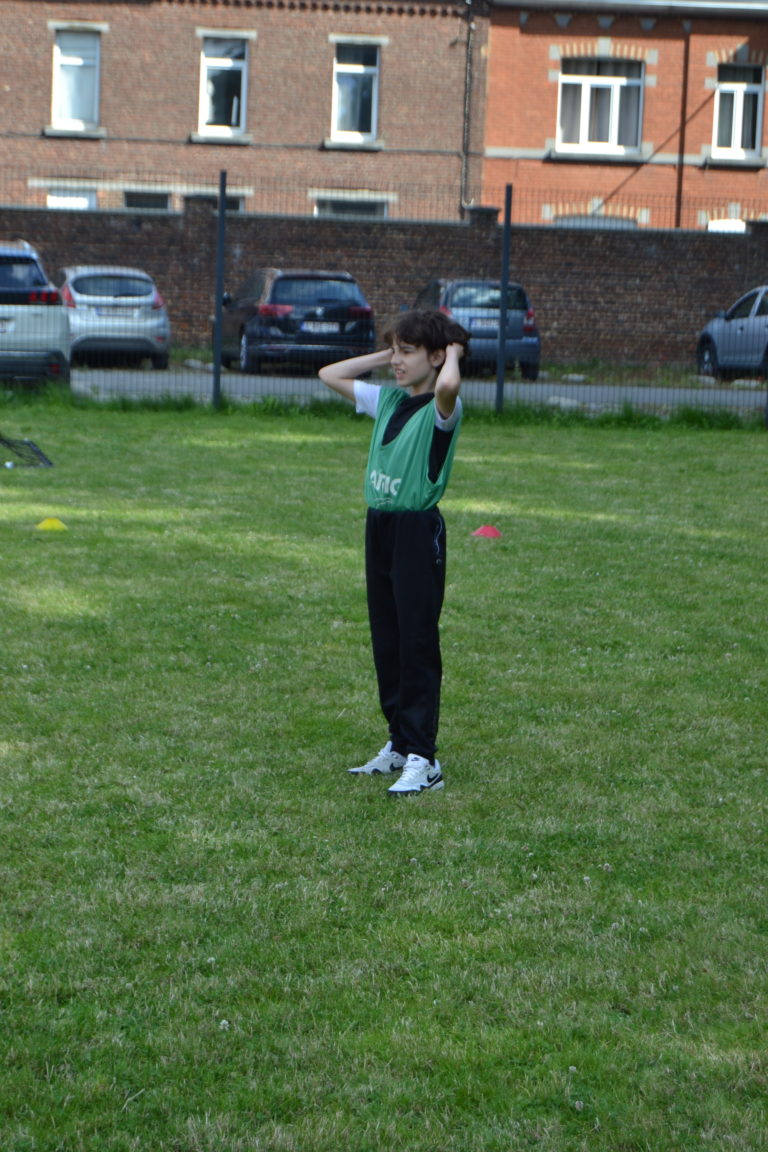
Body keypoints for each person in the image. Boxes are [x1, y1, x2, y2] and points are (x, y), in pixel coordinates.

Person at [318, 309, 469, 796]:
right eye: (395, 352)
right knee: (387, 639)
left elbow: (448, 385)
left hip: (415, 530)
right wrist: (389, 354)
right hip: (379, 526)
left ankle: (425, 759)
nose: (397, 361)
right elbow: (329, 374)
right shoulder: (388, 401)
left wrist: (453, 352)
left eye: (408, 352)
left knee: (416, 640)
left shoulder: (443, 409)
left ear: (437, 357)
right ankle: (400, 743)